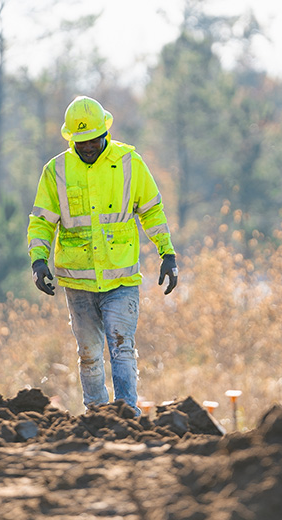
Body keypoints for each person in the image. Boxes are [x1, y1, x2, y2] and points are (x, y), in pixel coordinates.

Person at [27, 95, 178, 414]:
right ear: (71, 138)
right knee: (89, 353)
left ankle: (126, 414)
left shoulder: (129, 163)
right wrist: (38, 259)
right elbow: (42, 220)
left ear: (104, 132)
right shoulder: (57, 170)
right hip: (78, 282)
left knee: (122, 347)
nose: (88, 146)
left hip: (121, 278)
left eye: (93, 139)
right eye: (81, 142)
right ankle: (97, 415)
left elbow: (152, 211)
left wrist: (167, 253)